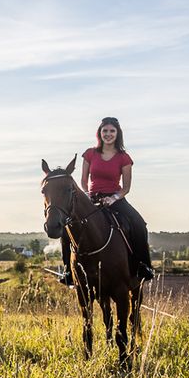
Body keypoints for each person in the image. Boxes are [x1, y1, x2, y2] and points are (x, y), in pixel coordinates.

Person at [59, 116, 154, 285]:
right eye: (105, 131)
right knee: (67, 226)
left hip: (115, 199)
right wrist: (87, 194)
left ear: (118, 134)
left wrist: (113, 198)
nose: (108, 134)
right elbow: (83, 180)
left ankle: (143, 265)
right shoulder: (90, 153)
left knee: (139, 224)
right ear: (99, 133)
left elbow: (126, 188)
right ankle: (68, 271)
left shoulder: (124, 157)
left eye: (112, 131)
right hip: (91, 198)